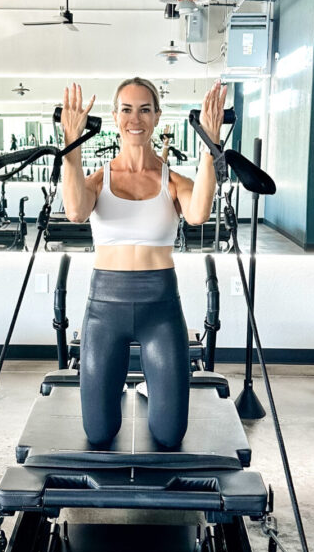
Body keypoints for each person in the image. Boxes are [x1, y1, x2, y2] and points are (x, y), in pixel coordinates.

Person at [61, 76, 226, 448]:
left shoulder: (172, 181)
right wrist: (71, 148)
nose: (135, 118)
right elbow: (74, 210)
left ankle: (151, 399)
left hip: (161, 308)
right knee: (99, 432)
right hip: (105, 310)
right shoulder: (98, 180)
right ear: (115, 116)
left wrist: (209, 147)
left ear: (157, 117)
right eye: (126, 109)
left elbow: (198, 213)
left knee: (169, 434)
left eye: (145, 109)